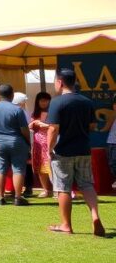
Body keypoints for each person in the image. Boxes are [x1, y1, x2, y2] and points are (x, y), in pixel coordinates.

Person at [46, 68, 105, 237]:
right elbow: (93, 126)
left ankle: (66, 225)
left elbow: (53, 129)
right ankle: (95, 216)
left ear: (60, 82)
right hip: (83, 149)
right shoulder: (86, 102)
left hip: (63, 151)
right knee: (86, 184)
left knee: (63, 187)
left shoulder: (57, 103)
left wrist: (49, 149)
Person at [0, 84, 31, 206]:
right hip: (17, 141)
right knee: (18, 169)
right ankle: (18, 198)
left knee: (0, 170)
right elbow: (24, 129)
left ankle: (1, 198)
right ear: (12, 95)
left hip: (0, 142)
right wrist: (28, 142)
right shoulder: (17, 110)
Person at [28, 92, 54, 198]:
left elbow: (55, 127)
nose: (43, 103)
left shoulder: (53, 112)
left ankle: (56, 190)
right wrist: (33, 124)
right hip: (38, 142)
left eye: (46, 100)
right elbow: (30, 127)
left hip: (49, 141)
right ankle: (46, 190)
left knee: (51, 166)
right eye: (41, 100)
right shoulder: (35, 114)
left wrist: (44, 124)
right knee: (40, 166)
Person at [106, 95, 116, 191]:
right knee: (112, 163)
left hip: (113, 143)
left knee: (113, 163)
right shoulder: (113, 114)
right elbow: (108, 127)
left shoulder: (113, 115)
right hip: (112, 142)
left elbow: (107, 127)